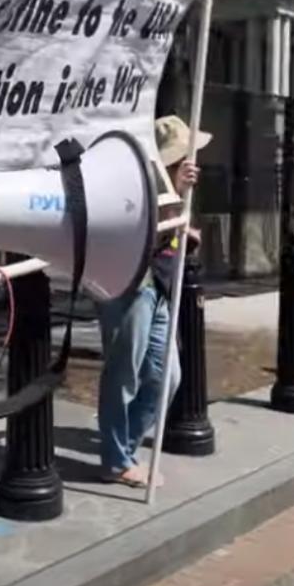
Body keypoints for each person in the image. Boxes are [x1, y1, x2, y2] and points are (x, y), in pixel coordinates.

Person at [97, 115, 212, 488]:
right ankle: (117, 461)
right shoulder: (142, 187)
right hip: (132, 286)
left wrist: (181, 210)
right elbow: (142, 234)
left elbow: (175, 234)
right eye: (185, 157)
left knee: (167, 377)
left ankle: (125, 452)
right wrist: (175, 197)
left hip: (158, 287)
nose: (193, 163)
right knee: (124, 375)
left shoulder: (171, 190)